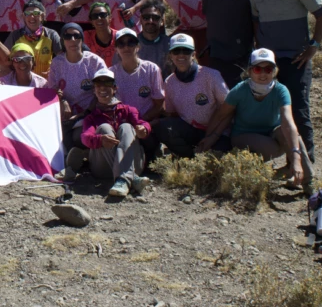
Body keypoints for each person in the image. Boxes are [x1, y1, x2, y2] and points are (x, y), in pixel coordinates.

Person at [249, 0, 322, 163]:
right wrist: (259, 47)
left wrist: (313, 46)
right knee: (275, 111)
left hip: (296, 58)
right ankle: (288, 161)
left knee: (298, 110)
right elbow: (256, 20)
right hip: (269, 62)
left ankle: (307, 165)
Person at [199, 49, 313, 189]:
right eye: (258, 69)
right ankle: (269, 173)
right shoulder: (240, 90)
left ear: (274, 71)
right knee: (273, 148)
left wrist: (295, 158)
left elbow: (288, 122)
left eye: (268, 69)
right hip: (243, 135)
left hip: (271, 133)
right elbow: (221, 115)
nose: (263, 74)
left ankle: (308, 182)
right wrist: (209, 138)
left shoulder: (281, 90)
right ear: (250, 71)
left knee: (291, 135)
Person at [72, 69, 150, 198]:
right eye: (98, 84)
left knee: (126, 127)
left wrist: (144, 129)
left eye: (107, 84)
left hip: (134, 163)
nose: (103, 87)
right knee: (104, 128)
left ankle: (123, 179)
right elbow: (85, 137)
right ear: (94, 90)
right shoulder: (91, 118)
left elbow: (142, 124)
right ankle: (130, 178)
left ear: (114, 88)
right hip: (103, 168)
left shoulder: (128, 111)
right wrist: (100, 140)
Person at [156, 34, 230, 159]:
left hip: (218, 131)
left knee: (217, 158)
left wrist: (212, 137)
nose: (181, 55)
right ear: (171, 55)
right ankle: (190, 158)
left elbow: (229, 109)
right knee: (164, 127)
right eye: (176, 51)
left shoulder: (211, 76)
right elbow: (171, 113)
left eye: (186, 51)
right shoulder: (169, 82)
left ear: (193, 54)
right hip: (191, 131)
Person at [47, 23, 106, 154]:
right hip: (65, 117)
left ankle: (82, 156)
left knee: (77, 137)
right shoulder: (57, 63)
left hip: (91, 114)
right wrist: (62, 101)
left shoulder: (95, 62)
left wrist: (84, 114)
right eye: (68, 36)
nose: (72, 40)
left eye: (76, 35)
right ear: (62, 40)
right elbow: (52, 91)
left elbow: (105, 92)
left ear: (82, 38)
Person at [110, 28, 164, 161]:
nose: (126, 47)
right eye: (121, 44)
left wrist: (141, 122)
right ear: (116, 49)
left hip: (145, 124)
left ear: (138, 46)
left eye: (131, 43)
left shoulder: (152, 69)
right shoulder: (110, 74)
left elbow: (159, 105)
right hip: (121, 127)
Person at [1, 0, 62, 77]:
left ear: (42, 16)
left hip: (45, 82)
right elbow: (4, 60)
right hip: (21, 83)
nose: (32, 17)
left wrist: (55, 69)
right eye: (27, 13)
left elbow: (62, 57)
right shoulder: (15, 35)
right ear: (23, 16)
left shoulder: (51, 34)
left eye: (36, 13)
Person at [137, 0, 172, 75]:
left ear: (162, 21)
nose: (150, 21)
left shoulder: (170, 45)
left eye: (155, 18)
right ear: (140, 19)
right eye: (146, 17)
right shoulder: (130, 44)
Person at [83, 2, 117, 67]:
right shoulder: (86, 36)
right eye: (94, 16)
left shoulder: (119, 36)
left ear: (110, 18)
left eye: (103, 15)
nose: (99, 18)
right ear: (91, 21)